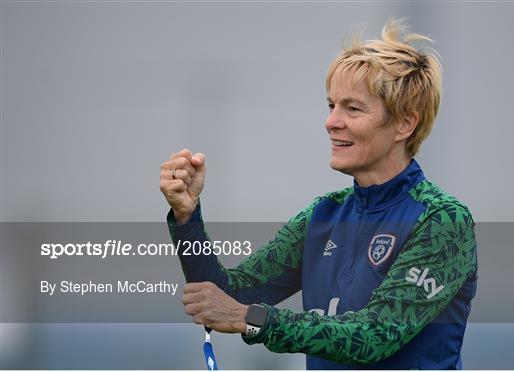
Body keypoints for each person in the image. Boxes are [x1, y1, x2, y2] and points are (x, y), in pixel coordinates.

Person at [159, 19, 478, 370]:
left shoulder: (442, 219)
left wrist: (253, 319)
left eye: (352, 108)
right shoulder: (322, 215)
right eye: (331, 106)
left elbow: (374, 335)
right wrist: (187, 218)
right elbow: (228, 296)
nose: (331, 121)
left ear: (405, 123)